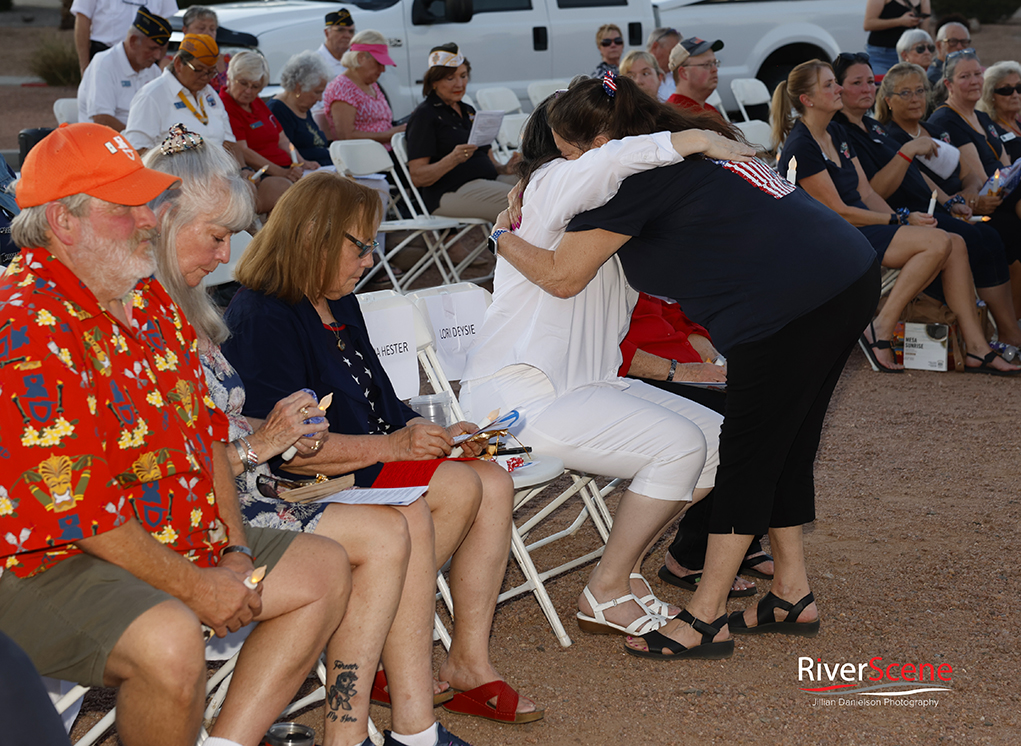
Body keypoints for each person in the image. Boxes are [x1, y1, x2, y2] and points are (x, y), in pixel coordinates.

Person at [489, 76, 881, 660]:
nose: (569, 167)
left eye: (570, 153)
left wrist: (499, 235)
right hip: (847, 272)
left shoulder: (634, 181)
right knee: (790, 441)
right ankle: (791, 594)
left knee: (751, 452)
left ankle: (704, 616)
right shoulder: (684, 142)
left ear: (603, 143)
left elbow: (563, 277)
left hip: (788, 304)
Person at [0, 122, 351, 746]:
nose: (148, 219)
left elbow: (209, 435)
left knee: (323, 569)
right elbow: (83, 513)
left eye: (147, 201)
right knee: (169, 640)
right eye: (126, 207)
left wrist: (236, 554)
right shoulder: (26, 325)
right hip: (45, 565)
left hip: (165, 536)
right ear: (64, 222)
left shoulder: (148, 298)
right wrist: (199, 587)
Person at [144, 127, 476, 746]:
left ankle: (384, 726)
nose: (226, 256)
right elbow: (175, 452)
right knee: (389, 528)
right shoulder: (232, 311)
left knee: (407, 517)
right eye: (217, 236)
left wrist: (271, 435)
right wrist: (266, 442)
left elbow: (216, 426)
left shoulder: (181, 304)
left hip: (241, 487)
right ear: (161, 220)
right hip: (214, 504)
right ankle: (365, 730)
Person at [220, 172, 542, 726]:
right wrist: (397, 444)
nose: (370, 258)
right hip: (315, 478)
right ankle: (385, 637)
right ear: (313, 237)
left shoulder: (337, 302)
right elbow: (290, 447)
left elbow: (384, 404)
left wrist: (436, 431)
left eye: (373, 244)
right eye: (360, 244)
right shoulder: (263, 315)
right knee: (463, 484)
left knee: (492, 479)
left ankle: (465, 658)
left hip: (364, 459)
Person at [461, 89, 756, 639]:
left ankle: (620, 573)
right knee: (680, 446)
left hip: (589, 387)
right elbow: (610, 159)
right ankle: (606, 588)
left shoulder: (607, 211)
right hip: (520, 398)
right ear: (568, 149)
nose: (609, 145)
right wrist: (696, 139)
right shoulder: (550, 185)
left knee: (722, 440)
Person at [774, 59, 1018, 374]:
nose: (838, 89)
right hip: (832, 237)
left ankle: (976, 347)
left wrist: (905, 220)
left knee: (954, 241)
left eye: (836, 82)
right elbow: (838, 211)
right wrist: (900, 221)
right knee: (937, 242)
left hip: (859, 227)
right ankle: (881, 327)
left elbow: (866, 194)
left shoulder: (835, 134)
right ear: (807, 100)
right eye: (829, 85)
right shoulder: (802, 145)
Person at [832, 56, 1021, 349]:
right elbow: (871, 191)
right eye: (857, 83)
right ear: (838, 88)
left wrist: (950, 201)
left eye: (870, 81)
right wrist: (907, 154)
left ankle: (1001, 334)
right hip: (894, 216)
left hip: (922, 208)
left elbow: (919, 175)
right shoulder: (844, 132)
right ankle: (992, 336)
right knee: (981, 238)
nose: (867, 88)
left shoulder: (873, 128)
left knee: (989, 234)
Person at [615, 293, 772, 598]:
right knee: (739, 424)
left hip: (678, 364)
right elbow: (603, 348)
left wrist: (708, 354)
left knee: (770, 405)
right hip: (639, 373)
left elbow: (672, 312)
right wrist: (683, 371)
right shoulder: (590, 264)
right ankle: (690, 554)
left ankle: (742, 536)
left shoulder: (631, 259)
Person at [879, 61, 1021, 316]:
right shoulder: (892, 138)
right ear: (888, 100)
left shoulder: (935, 130)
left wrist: (967, 193)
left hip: (961, 203)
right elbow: (921, 181)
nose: (915, 99)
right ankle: (998, 326)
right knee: (989, 236)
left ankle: (1006, 324)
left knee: (1005, 231)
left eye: (920, 91)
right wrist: (954, 202)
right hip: (928, 209)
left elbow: (968, 173)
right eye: (905, 93)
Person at [126, 35, 292, 214]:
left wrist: (243, 170)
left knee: (280, 188)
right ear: (179, 63)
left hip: (219, 180)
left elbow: (229, 143)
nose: (205, 77)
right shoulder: (152, 96)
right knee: (240, 206)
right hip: (179, 187)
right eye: (199, 70)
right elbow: (137, 151)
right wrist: (175, 181)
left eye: (211, 72)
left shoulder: (209, 93)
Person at [405, 44, 518, 222]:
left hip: (487, 180)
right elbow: (418, 177)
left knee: (541, 187)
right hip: (449, 191)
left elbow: (490, 162)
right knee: (522, 202)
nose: (459, 84)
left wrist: (506, 168)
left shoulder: (468, 111)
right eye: (450, 78)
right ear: (434, 82)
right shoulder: (425, 115)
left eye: (463, 76)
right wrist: (452, 159)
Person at [221, 51, 318, 181]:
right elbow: (243, 150)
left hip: (285, 167)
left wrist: (302, 162)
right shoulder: (224, 105)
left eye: (255, 86)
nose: (249, 91)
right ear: (230, 78)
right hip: (262, 173)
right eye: (243, 83)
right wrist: (282, 173)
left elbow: (282, 140)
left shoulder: (256, 102)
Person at [77, 8, 169, 131]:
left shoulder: (152, 70)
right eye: (152, 49)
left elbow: (164, 111)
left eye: (161, 50)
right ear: (133, 42)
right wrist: (136, 140)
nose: (158, 56)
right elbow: (102, 119)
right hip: (104, 141)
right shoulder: (104, 64)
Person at [323, 30, 405, 146]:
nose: (383, 70)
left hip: (385, 152)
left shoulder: (371, 84)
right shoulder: (342, 88)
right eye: (378, 63)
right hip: (363, 157)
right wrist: (389, 134)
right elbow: (346, 136)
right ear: (361, 57)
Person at [70, 0, 177, 72]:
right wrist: (85, 68)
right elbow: (82, 19)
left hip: (146, 61)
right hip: (104, 58)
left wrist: (157, 65)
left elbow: (166, 24)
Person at [268, 51, 333, 166]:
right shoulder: (277, 110)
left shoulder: (303, 107)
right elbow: (284, 150)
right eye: (317, 92)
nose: (320, 99)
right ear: (299, 87)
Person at [863, 0, 931, 75]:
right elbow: (868, 24)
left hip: (908, 55)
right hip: (881, 54)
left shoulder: (924, 1)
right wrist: (900, 21)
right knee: (881, 84)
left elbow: (924, 32)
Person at [666, 37, 725, 116]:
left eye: (715, 63)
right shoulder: (675, 115)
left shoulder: (709, 110)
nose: (715, 69)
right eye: (707, 65)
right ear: (684, 73)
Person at [978, 60, 1021, 164]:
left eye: (1019, 88)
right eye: (1006, 89)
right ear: (991, 95)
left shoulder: (1017, 123)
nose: (1015, 95)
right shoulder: (988, 130)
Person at [317, 9, 356, 84]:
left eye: (351, 31)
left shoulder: (356, 62)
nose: (347, 36)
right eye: (340, 30)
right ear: (327, 33)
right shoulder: (313, 64)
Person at [928, 20, 970, 86]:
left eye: (964, 42)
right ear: (939, 45)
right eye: (952, 41)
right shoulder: (934, 77)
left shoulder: (970, 71)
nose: (959, 47)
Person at [646, 27, 681, 101]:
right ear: (655, 47)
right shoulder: (641, 79)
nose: (677, 58)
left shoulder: (679, 76)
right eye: (673, 53)